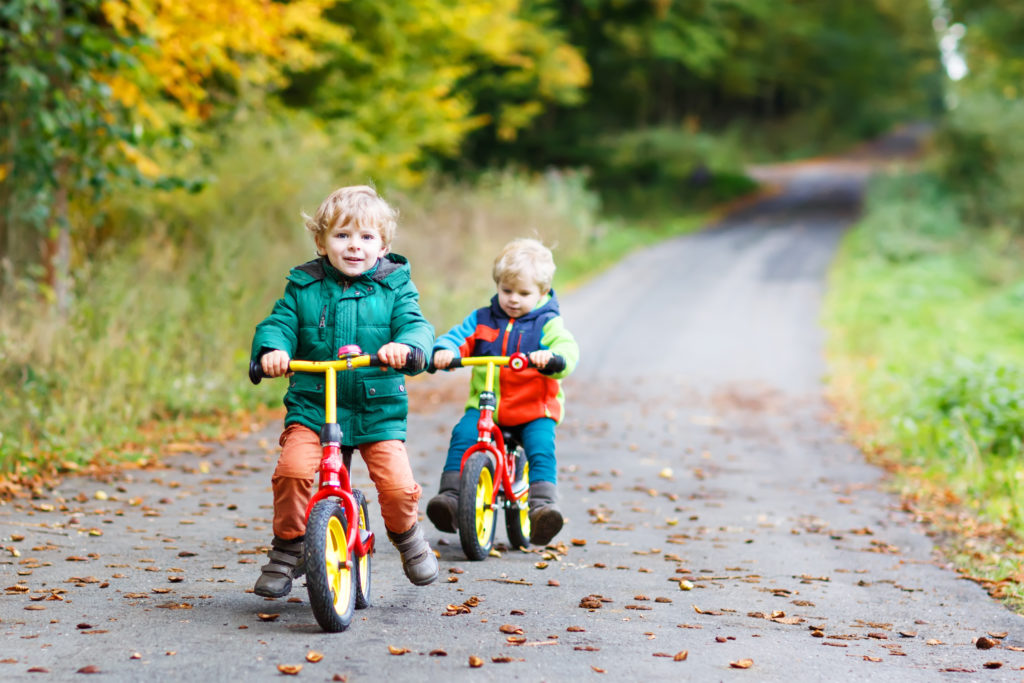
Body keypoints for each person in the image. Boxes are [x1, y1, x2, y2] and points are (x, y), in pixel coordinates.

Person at [250, 185, 438, 597]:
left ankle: (407, 538)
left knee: (397, 487)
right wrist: (274, 350)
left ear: (383, 245)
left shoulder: (395, 287)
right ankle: (287, 548)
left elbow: (416, 325)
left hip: (377, 409)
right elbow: (278, 324)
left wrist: (407, 347)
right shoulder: (303, 287)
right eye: (342, 236)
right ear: (321, 242)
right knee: (293, 472)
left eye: (367, 237)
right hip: (315, 406)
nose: (355, 246)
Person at [426, 238, 579, 546]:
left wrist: (551, 358)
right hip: (487, 408)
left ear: (542, 292)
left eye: (524, 293)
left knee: (540, 444)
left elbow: (567, 347)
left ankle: (542, 507)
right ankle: (452, 498)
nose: (513, 299)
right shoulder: (482, 319)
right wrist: (444, 350)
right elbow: (459, 336)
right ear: (497, 286)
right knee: (463, 434)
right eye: (506, 291)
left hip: (533, 409)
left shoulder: (546, 324)